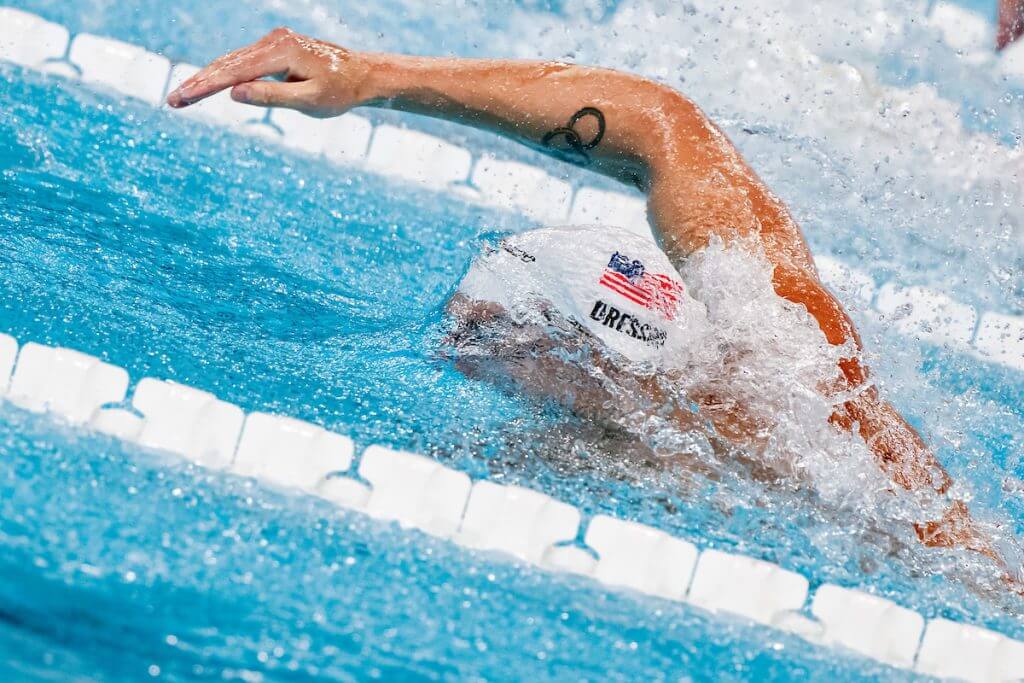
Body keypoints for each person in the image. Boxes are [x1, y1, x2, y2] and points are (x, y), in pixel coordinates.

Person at [166, 28, 1009, 572]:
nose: (461, 361)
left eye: (492, 347)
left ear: (584, 351)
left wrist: (385, 75)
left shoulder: (784, 349)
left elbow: (662, 125)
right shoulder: (621, 445)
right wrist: (371, 77)